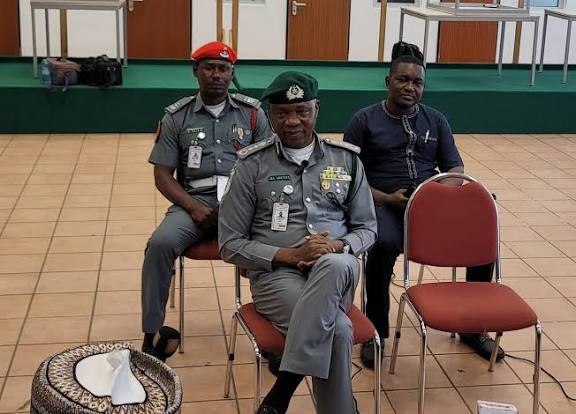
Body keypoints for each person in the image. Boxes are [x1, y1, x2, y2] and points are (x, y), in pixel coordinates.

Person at [219, 71, 377, 414]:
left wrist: (336, 246)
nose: (292, 121)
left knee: (334, 263)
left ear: (316, 110)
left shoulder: (346, 159)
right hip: (277, 278)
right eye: (282, 113)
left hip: (338, 271)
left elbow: (368, 229)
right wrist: (290, 255)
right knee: (338, 329)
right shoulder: (251, 164)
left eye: (302, 111)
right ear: (270, 116)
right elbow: (229, 243)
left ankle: (283, 389)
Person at [343, 53, 504, 369]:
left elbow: (455, 168)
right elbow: (348, 176)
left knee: (481, 229)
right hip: (384, 204)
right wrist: (386, 198)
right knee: (381, 245)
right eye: (402, 80)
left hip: (431, 204)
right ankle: (376, 332)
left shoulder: (436, 119)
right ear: (388, 81)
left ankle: (472, 328)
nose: (410, 87)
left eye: (417, 82)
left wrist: (437, 195)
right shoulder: (364, 120)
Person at [141, 41, 272, 359]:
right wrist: (193, 207)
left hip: (243, 204)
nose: (216, 75)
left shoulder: (252, 115)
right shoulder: (177, 117)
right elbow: (162, 175)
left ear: (232, 73)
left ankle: (274, 331)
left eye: (223, 69)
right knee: (159, 244)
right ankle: (151, 333)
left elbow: (271, 168)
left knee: (276, 242)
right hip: (194, 203)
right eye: (209, 68)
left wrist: (236, 210)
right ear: (195, 71)